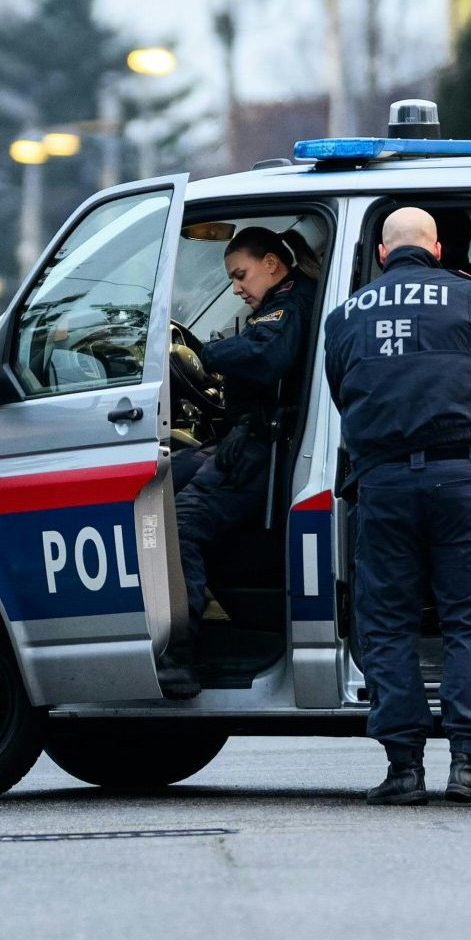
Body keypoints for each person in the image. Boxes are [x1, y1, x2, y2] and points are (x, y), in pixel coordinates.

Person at [322, 203, 471, 805]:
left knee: (385, 623)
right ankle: (469, 766)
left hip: (381, 485)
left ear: (382, 254)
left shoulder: (345, 315)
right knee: (466, 619)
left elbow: (340, 392)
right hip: (456, 476)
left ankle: (404, 768)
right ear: (435, 250)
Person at [170, 229, 318, 652]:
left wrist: (204, 355)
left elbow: (266, 356)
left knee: (178, 523)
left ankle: (179, 649)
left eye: (241, 275)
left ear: (271, 264)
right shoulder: (286, 299)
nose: (237, 288)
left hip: (268, 449)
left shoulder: (290, 303)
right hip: (255, 440)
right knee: (166, 477)